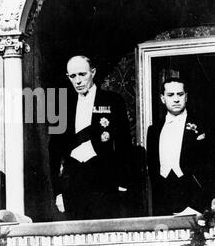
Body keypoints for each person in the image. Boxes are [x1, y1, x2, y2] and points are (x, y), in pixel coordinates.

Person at [49, 55, 132, 220]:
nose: (78, 80)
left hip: (105, 182)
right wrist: (57, 191)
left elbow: (124, 144)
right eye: (73, 76)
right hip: (73, 183)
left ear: (93, 72)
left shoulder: (113, 101)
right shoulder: (61, 105)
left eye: (82, 74)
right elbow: (54, 150)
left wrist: (123, 183)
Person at [147, 77, 212, 215]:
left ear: (186, 97)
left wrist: (200, 202)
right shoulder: (153, 130)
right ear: (162, 98)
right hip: (163, 201)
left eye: (180, 94)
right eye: (170, 95)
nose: (176, 99)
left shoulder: (202, 125)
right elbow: (153, 169)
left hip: (194, 200)